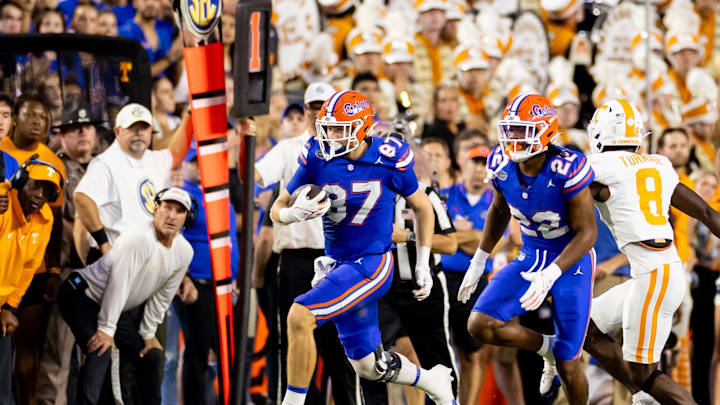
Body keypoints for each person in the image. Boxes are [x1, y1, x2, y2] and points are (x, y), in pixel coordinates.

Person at [270, 90, 456, 405]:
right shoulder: (317, 154)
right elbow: (278, 206)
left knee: (299, 315)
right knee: (368, 366)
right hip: (337, 263)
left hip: (372, 263)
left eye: (341, 128)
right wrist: (291, 215)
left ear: (362, 127)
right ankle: (433, 380)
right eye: (329, 127)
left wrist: (422, 263)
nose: (332, 135)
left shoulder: (388, 156)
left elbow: (423, 208)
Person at [578, 99, 719, 404]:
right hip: (661, 272)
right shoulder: (659, 164)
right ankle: (643, 395)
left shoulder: (598, 167)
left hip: (653, 278)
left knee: (646, 372)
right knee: (586, 329)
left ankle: (646, 391)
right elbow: (708, 214)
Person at [460, 94, 597, 405]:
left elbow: (587, 233)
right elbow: (498, 210)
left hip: (571, 260)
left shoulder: (566, 167)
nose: (512, 139)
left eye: (522, 131)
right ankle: (545, 348)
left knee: (569, 360)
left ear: (545, 132)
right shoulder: (500, 162)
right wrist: (480, 259)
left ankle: (559, 356)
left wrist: (552, 273)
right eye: (510, 130)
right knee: (480, 324)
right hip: (531, 255)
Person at [254, 82, 364, 405]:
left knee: (341, 347)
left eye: (325, 106)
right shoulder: (289, 149)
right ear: (305, 112)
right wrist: (247, 141)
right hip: (296, 259)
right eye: (314, 107)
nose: (319, 113)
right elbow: (255, 175)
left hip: (338, 259)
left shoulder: (351, 149)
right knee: (292, 344)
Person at [58, 187, 195, 405]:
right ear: (156, 209)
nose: (171, 215)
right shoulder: (137, 239)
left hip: (112, 305)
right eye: (167, 207)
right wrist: (106, 329)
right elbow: (117, 285)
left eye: (179, 211)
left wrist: (148, 333)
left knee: (150, 355)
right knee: (100, 349)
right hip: (80, 295)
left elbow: (162, 297)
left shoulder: (184, 252)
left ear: (187, 218)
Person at [362, 134, 459, 405]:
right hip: (381, 288)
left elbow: (451, 244)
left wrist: (407, 237)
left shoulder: (427, 195)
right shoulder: (367, 194)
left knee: (437, 360)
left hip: (422, 287)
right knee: (368, 357)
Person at [36, 100, 100, 405]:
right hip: (69, 272)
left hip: (105, 275)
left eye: (88, 127)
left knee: (100, 356)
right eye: (75, 128)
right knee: (58, 356)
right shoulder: (53, 168)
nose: (83, 133)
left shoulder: (106, 165)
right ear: (62, 135)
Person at [73, 102, 191, 262]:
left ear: (151, 132)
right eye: (132, 128)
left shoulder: (152, 159)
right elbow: (82, 198)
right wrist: (105, 245)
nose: (139, 133)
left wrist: (190, 115)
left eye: (144, 128)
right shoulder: (106, 162)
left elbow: (176, 152)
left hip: (148, 261)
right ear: (117, 131)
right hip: (118, 259)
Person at [0, 159, 62, 404]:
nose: (39, 195)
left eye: (47, 191)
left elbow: (28, 268)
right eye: (35, 186)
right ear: (19, 183)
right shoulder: (3, 201)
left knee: (4, 396)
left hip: (2, 308)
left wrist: (8, 307)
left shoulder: (44, 217)